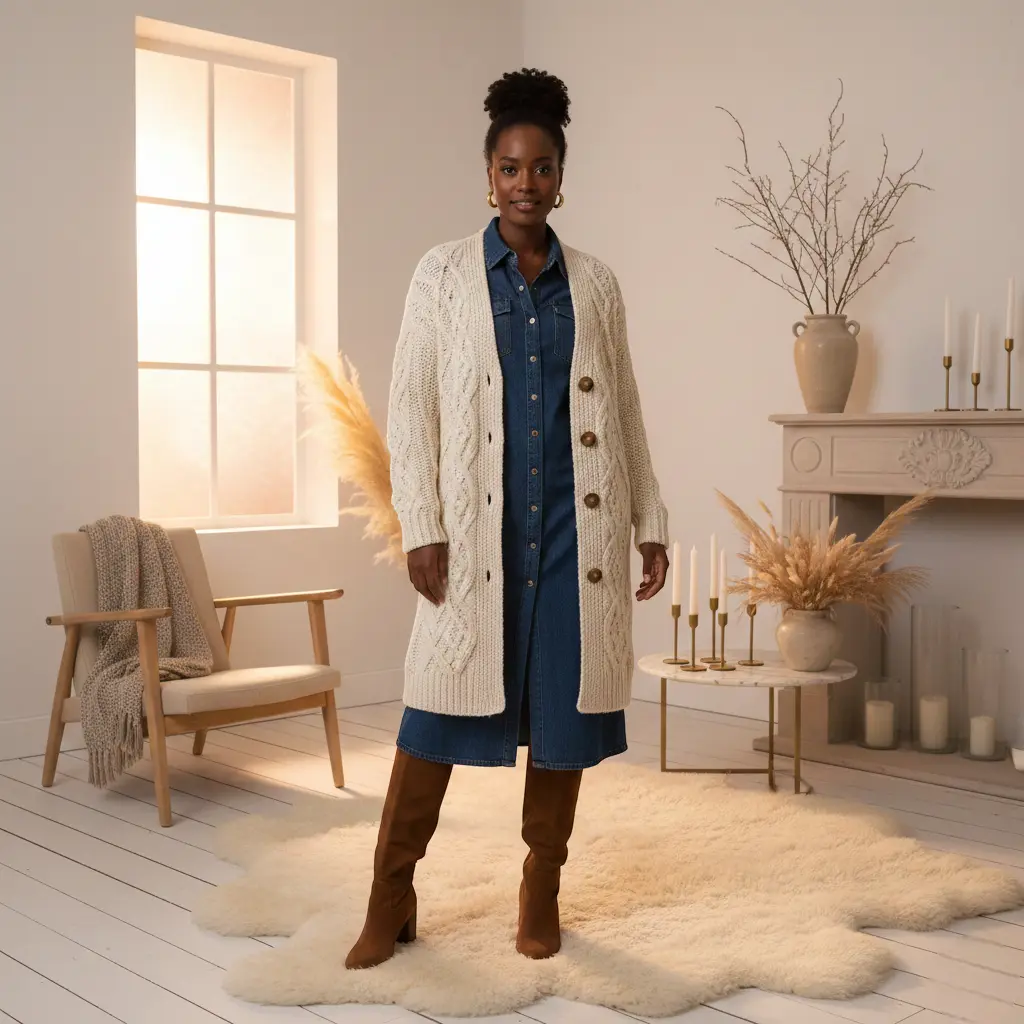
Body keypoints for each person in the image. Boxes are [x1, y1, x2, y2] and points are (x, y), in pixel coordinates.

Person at [346, 68, 669, 971]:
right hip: (475, 534)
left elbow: (628, 409)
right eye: (509, 166)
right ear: (488, 177)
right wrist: (421, 521)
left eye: (542, 166)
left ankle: (541, 888)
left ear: (562, 177)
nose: (526, 182)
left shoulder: (594, 284)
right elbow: (410, 406)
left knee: (563, 721)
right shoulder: (441, 275)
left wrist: (649, 516)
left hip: (578, 535)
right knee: (437, 715)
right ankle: (390, 895)